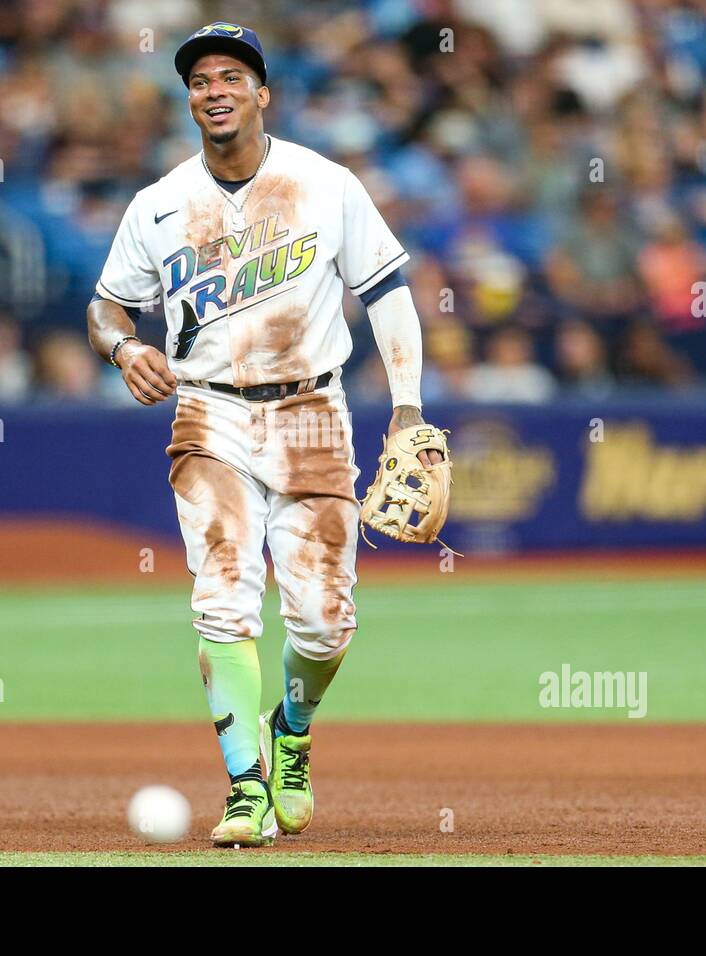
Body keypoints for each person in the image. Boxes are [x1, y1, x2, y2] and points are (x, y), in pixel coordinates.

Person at [86, 22, 439, 847]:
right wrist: (123, 345)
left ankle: (293, 729)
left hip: (313, 409)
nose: (213, 90)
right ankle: (244, 787)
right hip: (208, 410)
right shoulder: (159, 204)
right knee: (223, 598)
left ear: (262, 92)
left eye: (230, 76)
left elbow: (387, 292)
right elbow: (107, 304)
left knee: (324, 622)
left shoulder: (325, 183)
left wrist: (411, 408)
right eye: (200, 79)